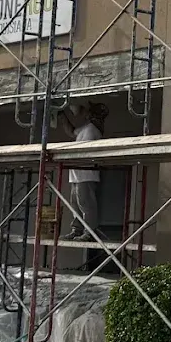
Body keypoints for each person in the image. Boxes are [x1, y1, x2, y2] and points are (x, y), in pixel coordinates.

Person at [62, 102, 108, 243]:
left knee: (86, 204)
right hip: (77, 173)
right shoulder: (87, 128)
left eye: (89, 112)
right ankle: (77, 229)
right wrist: (62, 116)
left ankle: (89, 232)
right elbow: (71, 131)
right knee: (75, 204)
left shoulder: (93, 130)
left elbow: (83, 150)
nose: (86, 114)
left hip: (86, 174)